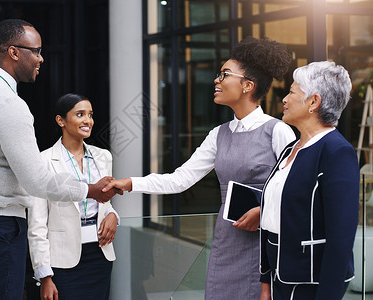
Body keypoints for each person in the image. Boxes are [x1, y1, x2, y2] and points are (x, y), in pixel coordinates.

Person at [103, 37, 296, 300]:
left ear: (248, 85)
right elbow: (180, 179)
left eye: (224, 74)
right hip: (227, 240)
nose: (216, 80)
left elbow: (296, 190)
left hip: (264, 243)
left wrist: (263, 210)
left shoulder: (278, 131)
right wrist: (130, 183)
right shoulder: (219, 134)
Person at [0, 20, 118, 300]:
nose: (41, 58)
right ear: (14, 52)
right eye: (36, 51)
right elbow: (37, 181)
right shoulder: (10, 104)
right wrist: (89, 190)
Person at [259, 61, 359, 300]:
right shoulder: (290, 149)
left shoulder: (336, 152)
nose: (284, 99)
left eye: (292, 92)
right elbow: (273, 213)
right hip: (278, 277)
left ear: (314, 102)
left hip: (310, 283)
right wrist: (265, 281)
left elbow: (341, 237)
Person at [28, 94, 118, 300]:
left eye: (90, 115)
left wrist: (113, 215)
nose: (88, 121)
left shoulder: (103, 157)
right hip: (62, 262)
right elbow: (37, 224)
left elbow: (105, 204)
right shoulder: (43, 161)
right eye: (80, 114)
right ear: (61, 120)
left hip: (100, 255)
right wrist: (45, 276)